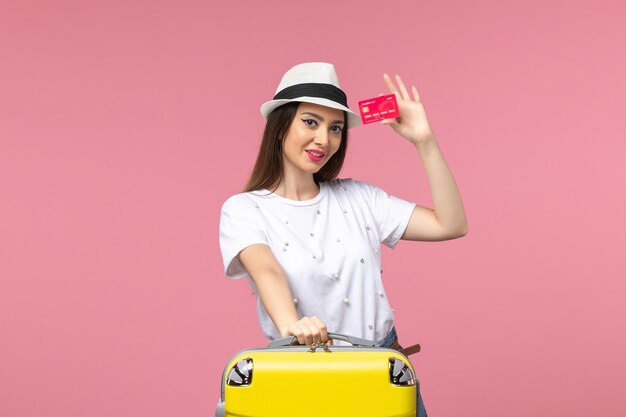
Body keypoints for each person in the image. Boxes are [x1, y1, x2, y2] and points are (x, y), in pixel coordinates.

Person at [219, 62, 468, 417]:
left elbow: (451, 224)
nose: (324, 139)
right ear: (279, 126)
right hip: (299, 375)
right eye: (310, 121)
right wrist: (292, 326)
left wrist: (425, 142)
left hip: (380, 375)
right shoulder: (244, 209)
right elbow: (266, 270)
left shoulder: (360, 198)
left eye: (335, 128)